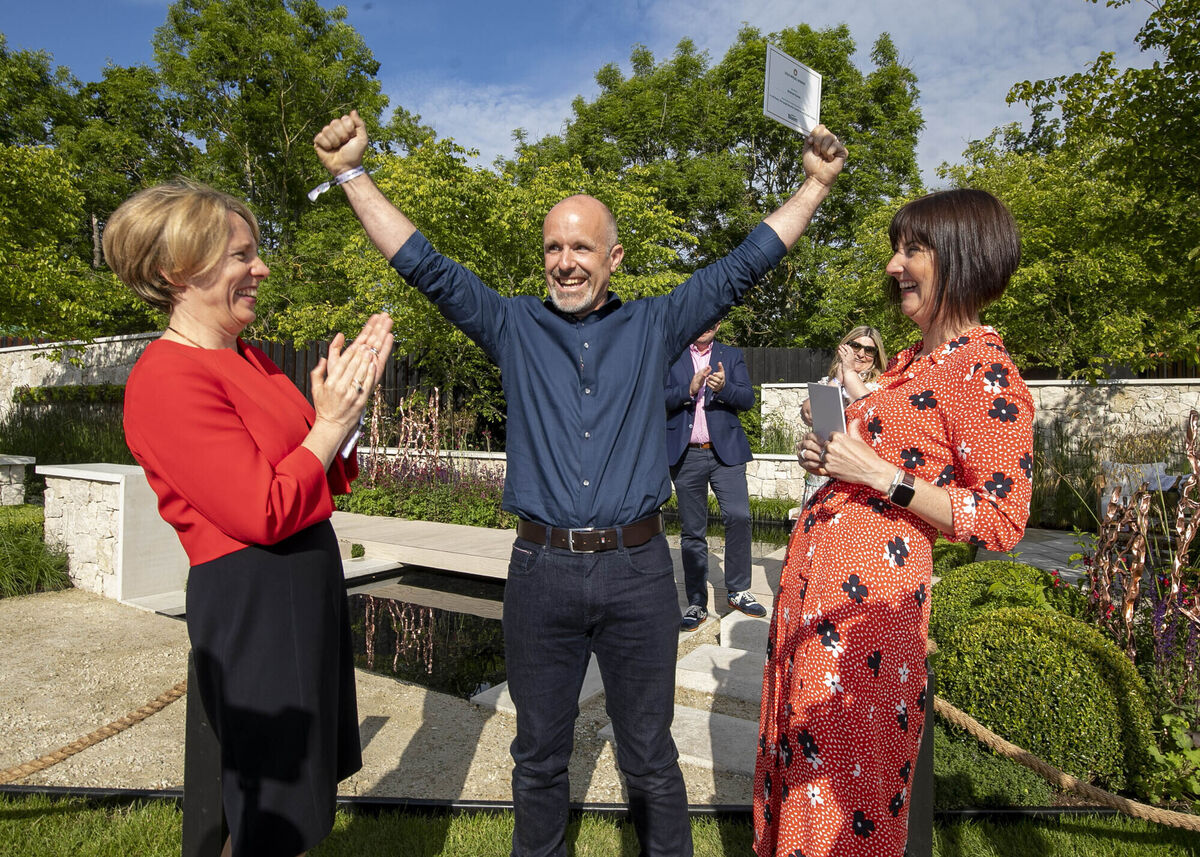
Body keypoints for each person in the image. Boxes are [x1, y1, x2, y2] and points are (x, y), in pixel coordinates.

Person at [312, 109, 846, 857]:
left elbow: (743, 265)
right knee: (537, 761)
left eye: (581, 246)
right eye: (553, 247)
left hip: (636, 576)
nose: (565, 260)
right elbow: (423, 263)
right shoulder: (511, 325)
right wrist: (350, 173)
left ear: (614, 256)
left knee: (651, 760)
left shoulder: (657, 325)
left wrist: (814, 186)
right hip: (541, 573)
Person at [104, 178, 394, 857]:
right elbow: (263, 509)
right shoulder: (167, 378)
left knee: (285, 795)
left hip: (298, 587)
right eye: (240, 255)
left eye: (254, 252)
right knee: (271, 810)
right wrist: (328, 425)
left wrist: (341, 416)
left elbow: (322, 468)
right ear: (179, 271)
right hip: (255, 600)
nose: (260, 267)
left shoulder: (250, 359)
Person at [755, 189, 1034, 857]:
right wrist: (831, 449)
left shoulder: (985, 371)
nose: (892, 265)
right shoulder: (912, 360)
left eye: (912, 250)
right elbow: (874, 455)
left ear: (962, 258)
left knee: (847, 780)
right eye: (895, 248)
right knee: (802, 757)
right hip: (816, 593)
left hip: (869, 614)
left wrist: (883, 476)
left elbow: (1002, 518)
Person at [665, 320, 766, 631]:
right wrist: (688, 390)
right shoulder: (671, 354)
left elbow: (748, 399)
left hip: (726, 454)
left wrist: (724, 389)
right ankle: (696, 602)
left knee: (738, 516)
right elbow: (656, 398)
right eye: (701, 319)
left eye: (712, 320)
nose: (705, 325)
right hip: (686, 454)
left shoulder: (731, 355)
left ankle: (737, 590)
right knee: (693, 531)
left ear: (719, 323)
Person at [797, 326, 888, 506]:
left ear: (876, 357)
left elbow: (867, 407)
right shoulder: (830, 381)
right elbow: (809, 413)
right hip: (823, 468)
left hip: (858, 473)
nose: (861, 354)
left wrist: (849, 373)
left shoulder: (883, 385)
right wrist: (837, 381)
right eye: (855, 346)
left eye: (869, 350)